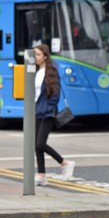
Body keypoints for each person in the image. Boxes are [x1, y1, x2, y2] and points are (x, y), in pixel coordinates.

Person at [34, 44, 75, 186]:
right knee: (37, 145)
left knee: (40, 143)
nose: (35, 57)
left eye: (38, 54)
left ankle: (64, 163)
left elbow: (55, 94)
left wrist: (48, 108)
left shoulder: (51, 72)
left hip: (48, 114)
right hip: (37, 112)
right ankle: (41, 175)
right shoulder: (35, 71)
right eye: (34, 54)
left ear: (45, 56)